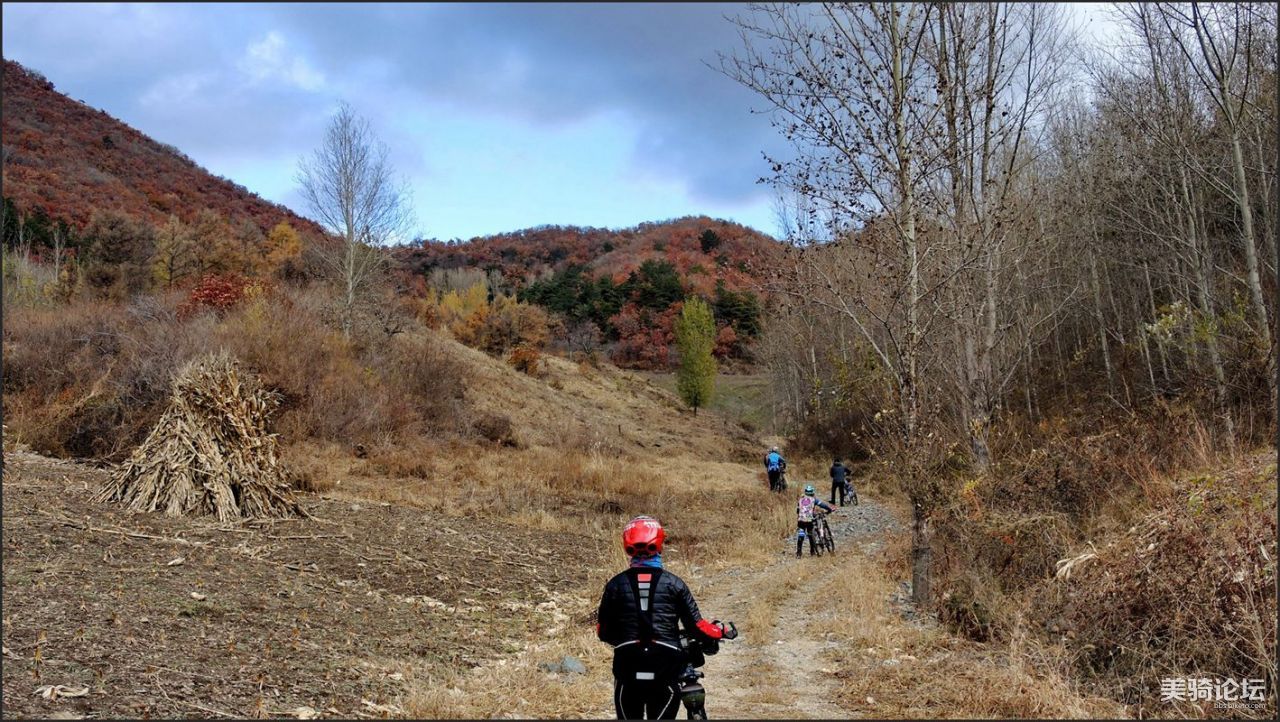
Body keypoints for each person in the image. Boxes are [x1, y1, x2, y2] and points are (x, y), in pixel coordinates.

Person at [597, 515, 728, 719]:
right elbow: (697, 627)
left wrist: (627, 640)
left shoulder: (615, 585)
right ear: (659, 543)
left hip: (627, 666)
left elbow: (603, 632)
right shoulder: (674, 584)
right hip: (666, 665)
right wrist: (720, 631)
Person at [796, 485, 836, 557]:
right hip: (809, 520)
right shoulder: (814, 499)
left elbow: (798, 510)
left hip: (801, 520)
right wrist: (829, 509)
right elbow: (823, 505)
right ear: (812, 493)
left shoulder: (801, 499)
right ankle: (812, 551)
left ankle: (799, 553)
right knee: (811, 534)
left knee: (801, 535)